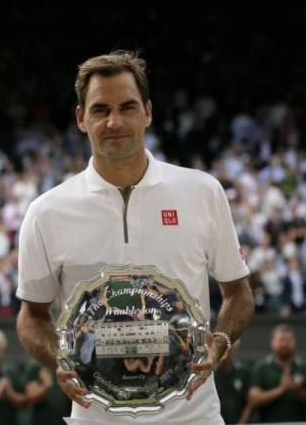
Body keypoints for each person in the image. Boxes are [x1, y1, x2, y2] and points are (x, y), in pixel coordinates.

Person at [15, 51, 255, 425]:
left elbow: (238, 294)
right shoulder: (46, 211)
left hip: (194, 416)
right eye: (100, 110)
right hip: (95, 418)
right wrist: (58, 357)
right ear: (81, 119)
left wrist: (219, 341)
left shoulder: (202, 191)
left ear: (148, 112)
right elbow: (31, 316)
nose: (114, 121)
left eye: (127, 107)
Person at [247, 324, 306, 423]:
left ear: (295, 342)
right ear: (272, 342)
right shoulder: (262, 368)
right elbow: (253, 400)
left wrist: (299, 391)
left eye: (289, 340)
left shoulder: (303, 367)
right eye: (282, 340)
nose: (285, 344)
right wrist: (281, 389)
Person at [213, 340, 251, 424]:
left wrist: (241, 423)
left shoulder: (244, 373)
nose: (226, 353)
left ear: (235, 350)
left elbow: (250, 403)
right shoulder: (210, 374)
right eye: (223, 350)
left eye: (229, 350)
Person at [23, 359, 71, 425]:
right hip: (43, 420)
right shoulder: (37, 367)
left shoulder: (67, 366)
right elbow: (32, 396)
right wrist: (46, 386)